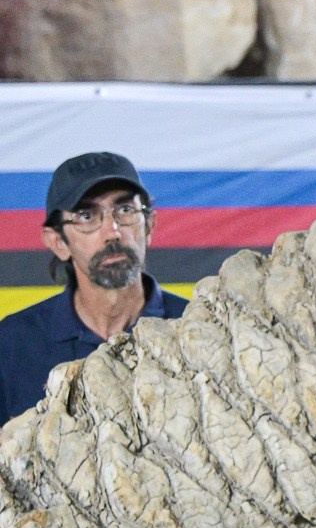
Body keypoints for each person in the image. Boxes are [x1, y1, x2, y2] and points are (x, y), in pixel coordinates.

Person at [0, 150, 187, 429]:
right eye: (86, 216)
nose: (112, 231)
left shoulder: (194, 328)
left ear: (149, 225)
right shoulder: (13, 346)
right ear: (58, 242)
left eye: (125, 210)